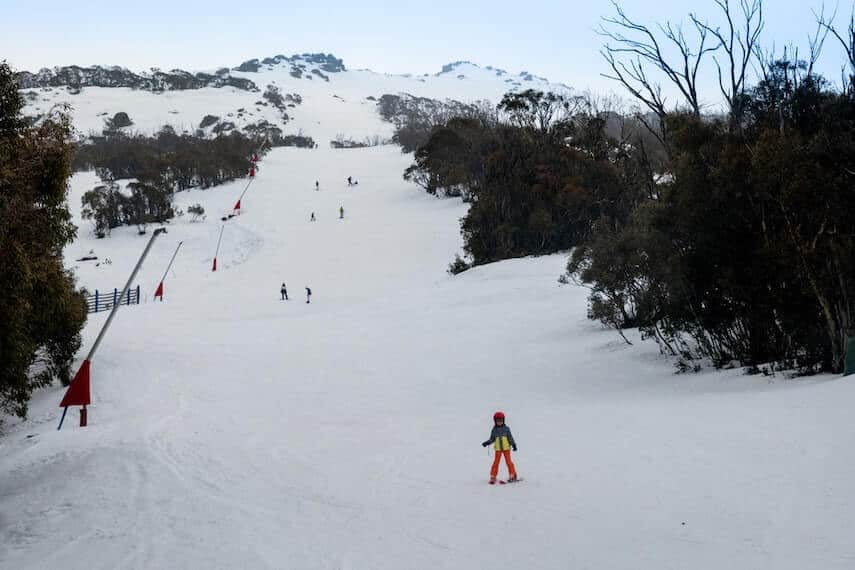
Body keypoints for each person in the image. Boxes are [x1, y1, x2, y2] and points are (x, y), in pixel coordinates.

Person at [482, 411, 518, 484]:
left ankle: (513, 475)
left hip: (506, 449)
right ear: (495, 421)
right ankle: (493, 476)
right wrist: (487, 442)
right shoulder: (494, 430)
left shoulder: (506, 429)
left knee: (509, 462)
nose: (499, 422)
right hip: (498, 449)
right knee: (496, 462)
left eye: (501, 420)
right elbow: (492, 439)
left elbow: (510, 437)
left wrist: (513, 444)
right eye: (498, 421)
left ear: (503, 420)